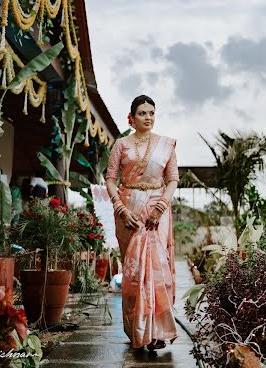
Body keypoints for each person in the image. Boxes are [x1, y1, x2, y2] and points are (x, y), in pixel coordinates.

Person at [105, 95, 179, 351]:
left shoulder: (166, 145)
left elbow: (173, 180)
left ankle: (157, 331)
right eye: (142, 113)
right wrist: (121, 209)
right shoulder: (121, 145)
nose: (148, 117)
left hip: (157, 211)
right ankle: (137, 329)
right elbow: (111, 179)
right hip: (128, 210)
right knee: (135, 272)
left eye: (151, 112)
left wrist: (161, 206)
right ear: (132, 117)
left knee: (158, 270)